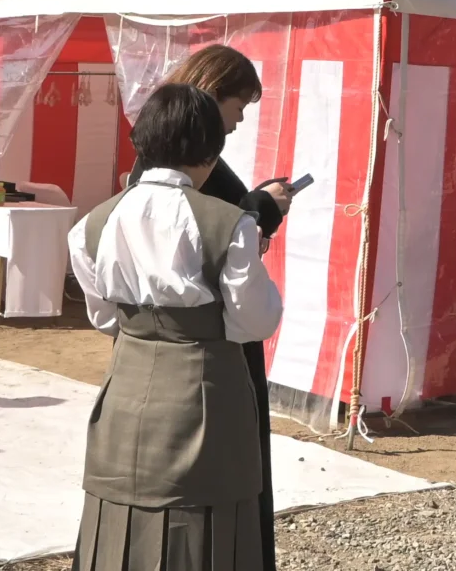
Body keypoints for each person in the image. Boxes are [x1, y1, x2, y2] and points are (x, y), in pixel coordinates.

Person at [67, 82, 283, 571]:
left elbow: (105, 318)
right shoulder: (231, 224)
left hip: (126, 391)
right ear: (210, 153)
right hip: (206, 396)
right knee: (207, 528)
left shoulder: (92, 225)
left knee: (117, 524)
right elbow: (256, 320)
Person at [163, 44, 296, 571]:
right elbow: (203, 239)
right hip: (212, 343)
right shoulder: (184, 170)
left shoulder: (191, 163)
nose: (239, 123)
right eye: (237, 108)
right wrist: (260, 212)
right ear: (212, 94)